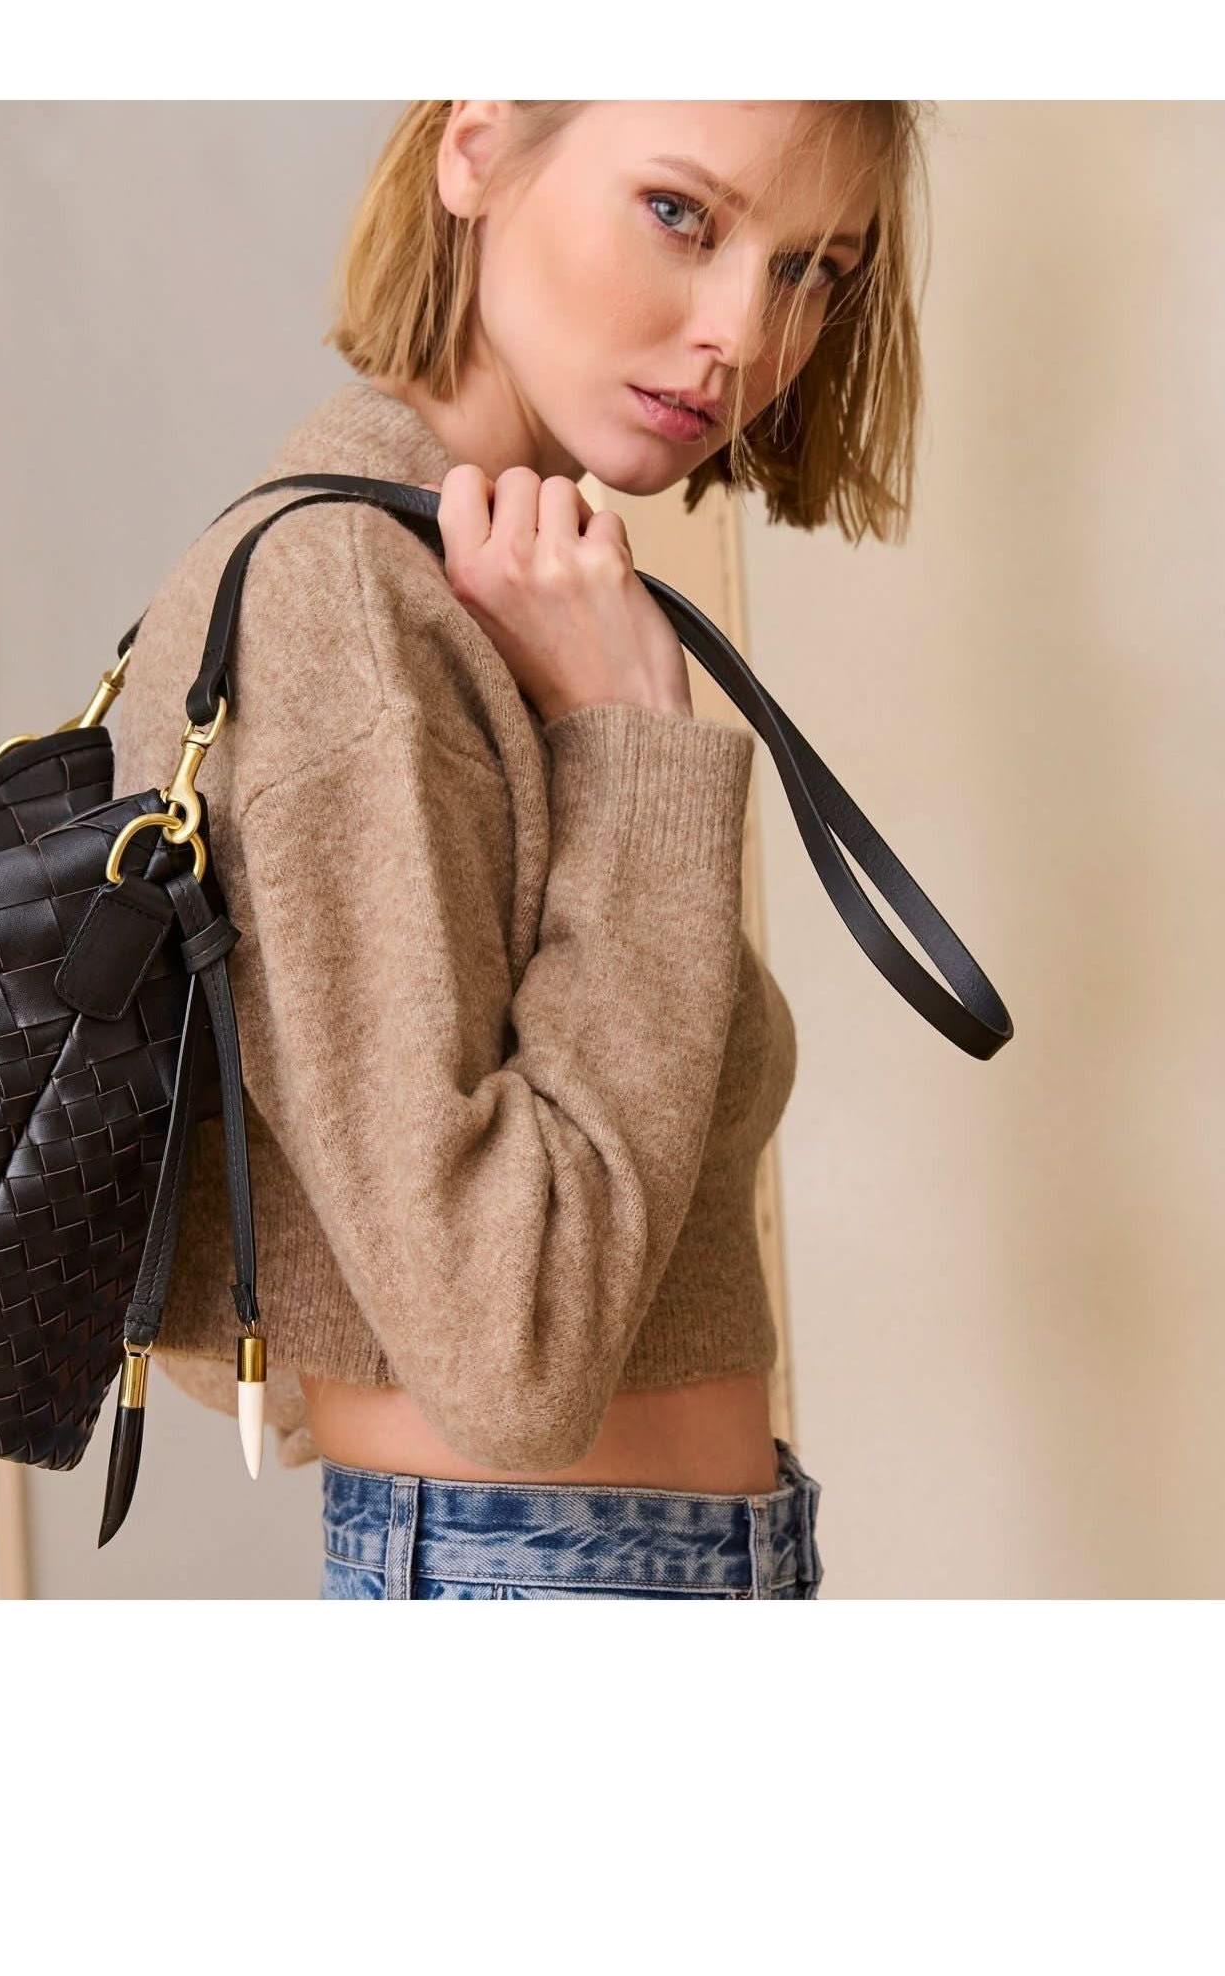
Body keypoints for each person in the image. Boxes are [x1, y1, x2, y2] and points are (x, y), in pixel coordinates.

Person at [109, 101, 927, 1599]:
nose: (746, 331)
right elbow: (512, 1348)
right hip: (538, 1572)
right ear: (476, 147)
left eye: (814, 266)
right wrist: (630, 748)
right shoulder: (342, 605)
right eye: (682, 216)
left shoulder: (466, 581)